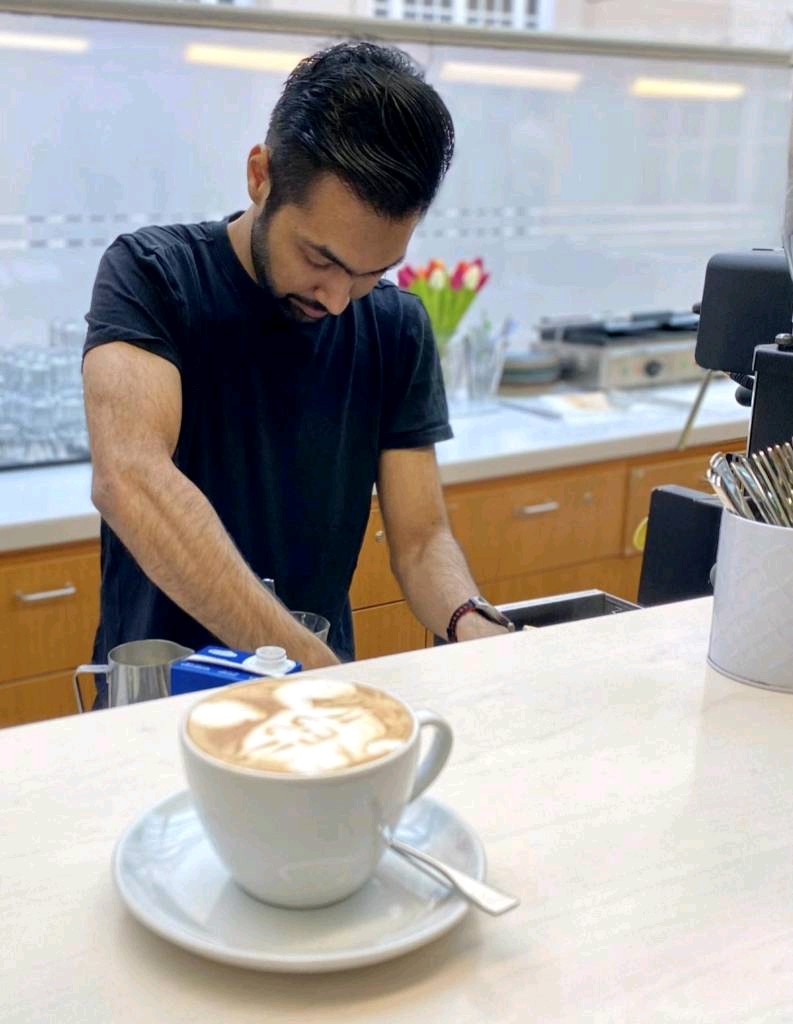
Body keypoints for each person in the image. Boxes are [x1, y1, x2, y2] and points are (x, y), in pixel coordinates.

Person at [82, 40, 512, 696]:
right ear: (261, 176)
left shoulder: (395, 325)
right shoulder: (153, 275)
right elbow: (130, 479)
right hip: (159, 697)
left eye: (372, 273)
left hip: (308, 698)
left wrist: (470, 622)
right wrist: (313, 668)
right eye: (322, 259)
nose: (340, 298)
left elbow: (422, 540)